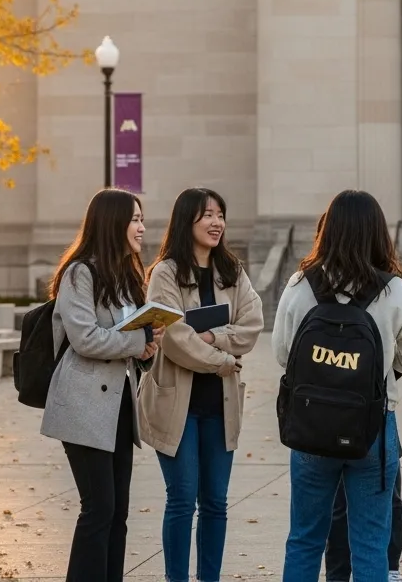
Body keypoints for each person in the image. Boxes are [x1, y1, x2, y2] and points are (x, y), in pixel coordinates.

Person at [273, 190, 402, 582]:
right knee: (369, 543)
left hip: (311, 427)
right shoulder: (392, 289)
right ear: (378, 233)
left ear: (326, 230)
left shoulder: (301, 284)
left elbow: (282, 353)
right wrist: (380, 364)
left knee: (305, 539)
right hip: (373, 428)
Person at [139, 187, 264, 582]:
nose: (216, 222)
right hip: (178, 405)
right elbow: (175, 339)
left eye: (220, 214)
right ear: (186, 221)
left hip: (220, 405)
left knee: (216, 503)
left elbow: (252, 326)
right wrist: (224, 360)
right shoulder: (165, 272)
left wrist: (213, 338)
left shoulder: (233, 270)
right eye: (207, 215)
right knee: (181, 500)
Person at [41, 188, 164, 582]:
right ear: (112, 222)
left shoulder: (127, 275)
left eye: (142, 219)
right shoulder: (80, 272)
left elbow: (128, 337)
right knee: (98, 509)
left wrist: (148, 345)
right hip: (82, 403)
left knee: (119, 511)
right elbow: (86, 339)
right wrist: (137, 342)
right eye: (135, 220)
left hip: (119, 405)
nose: (142, 228)